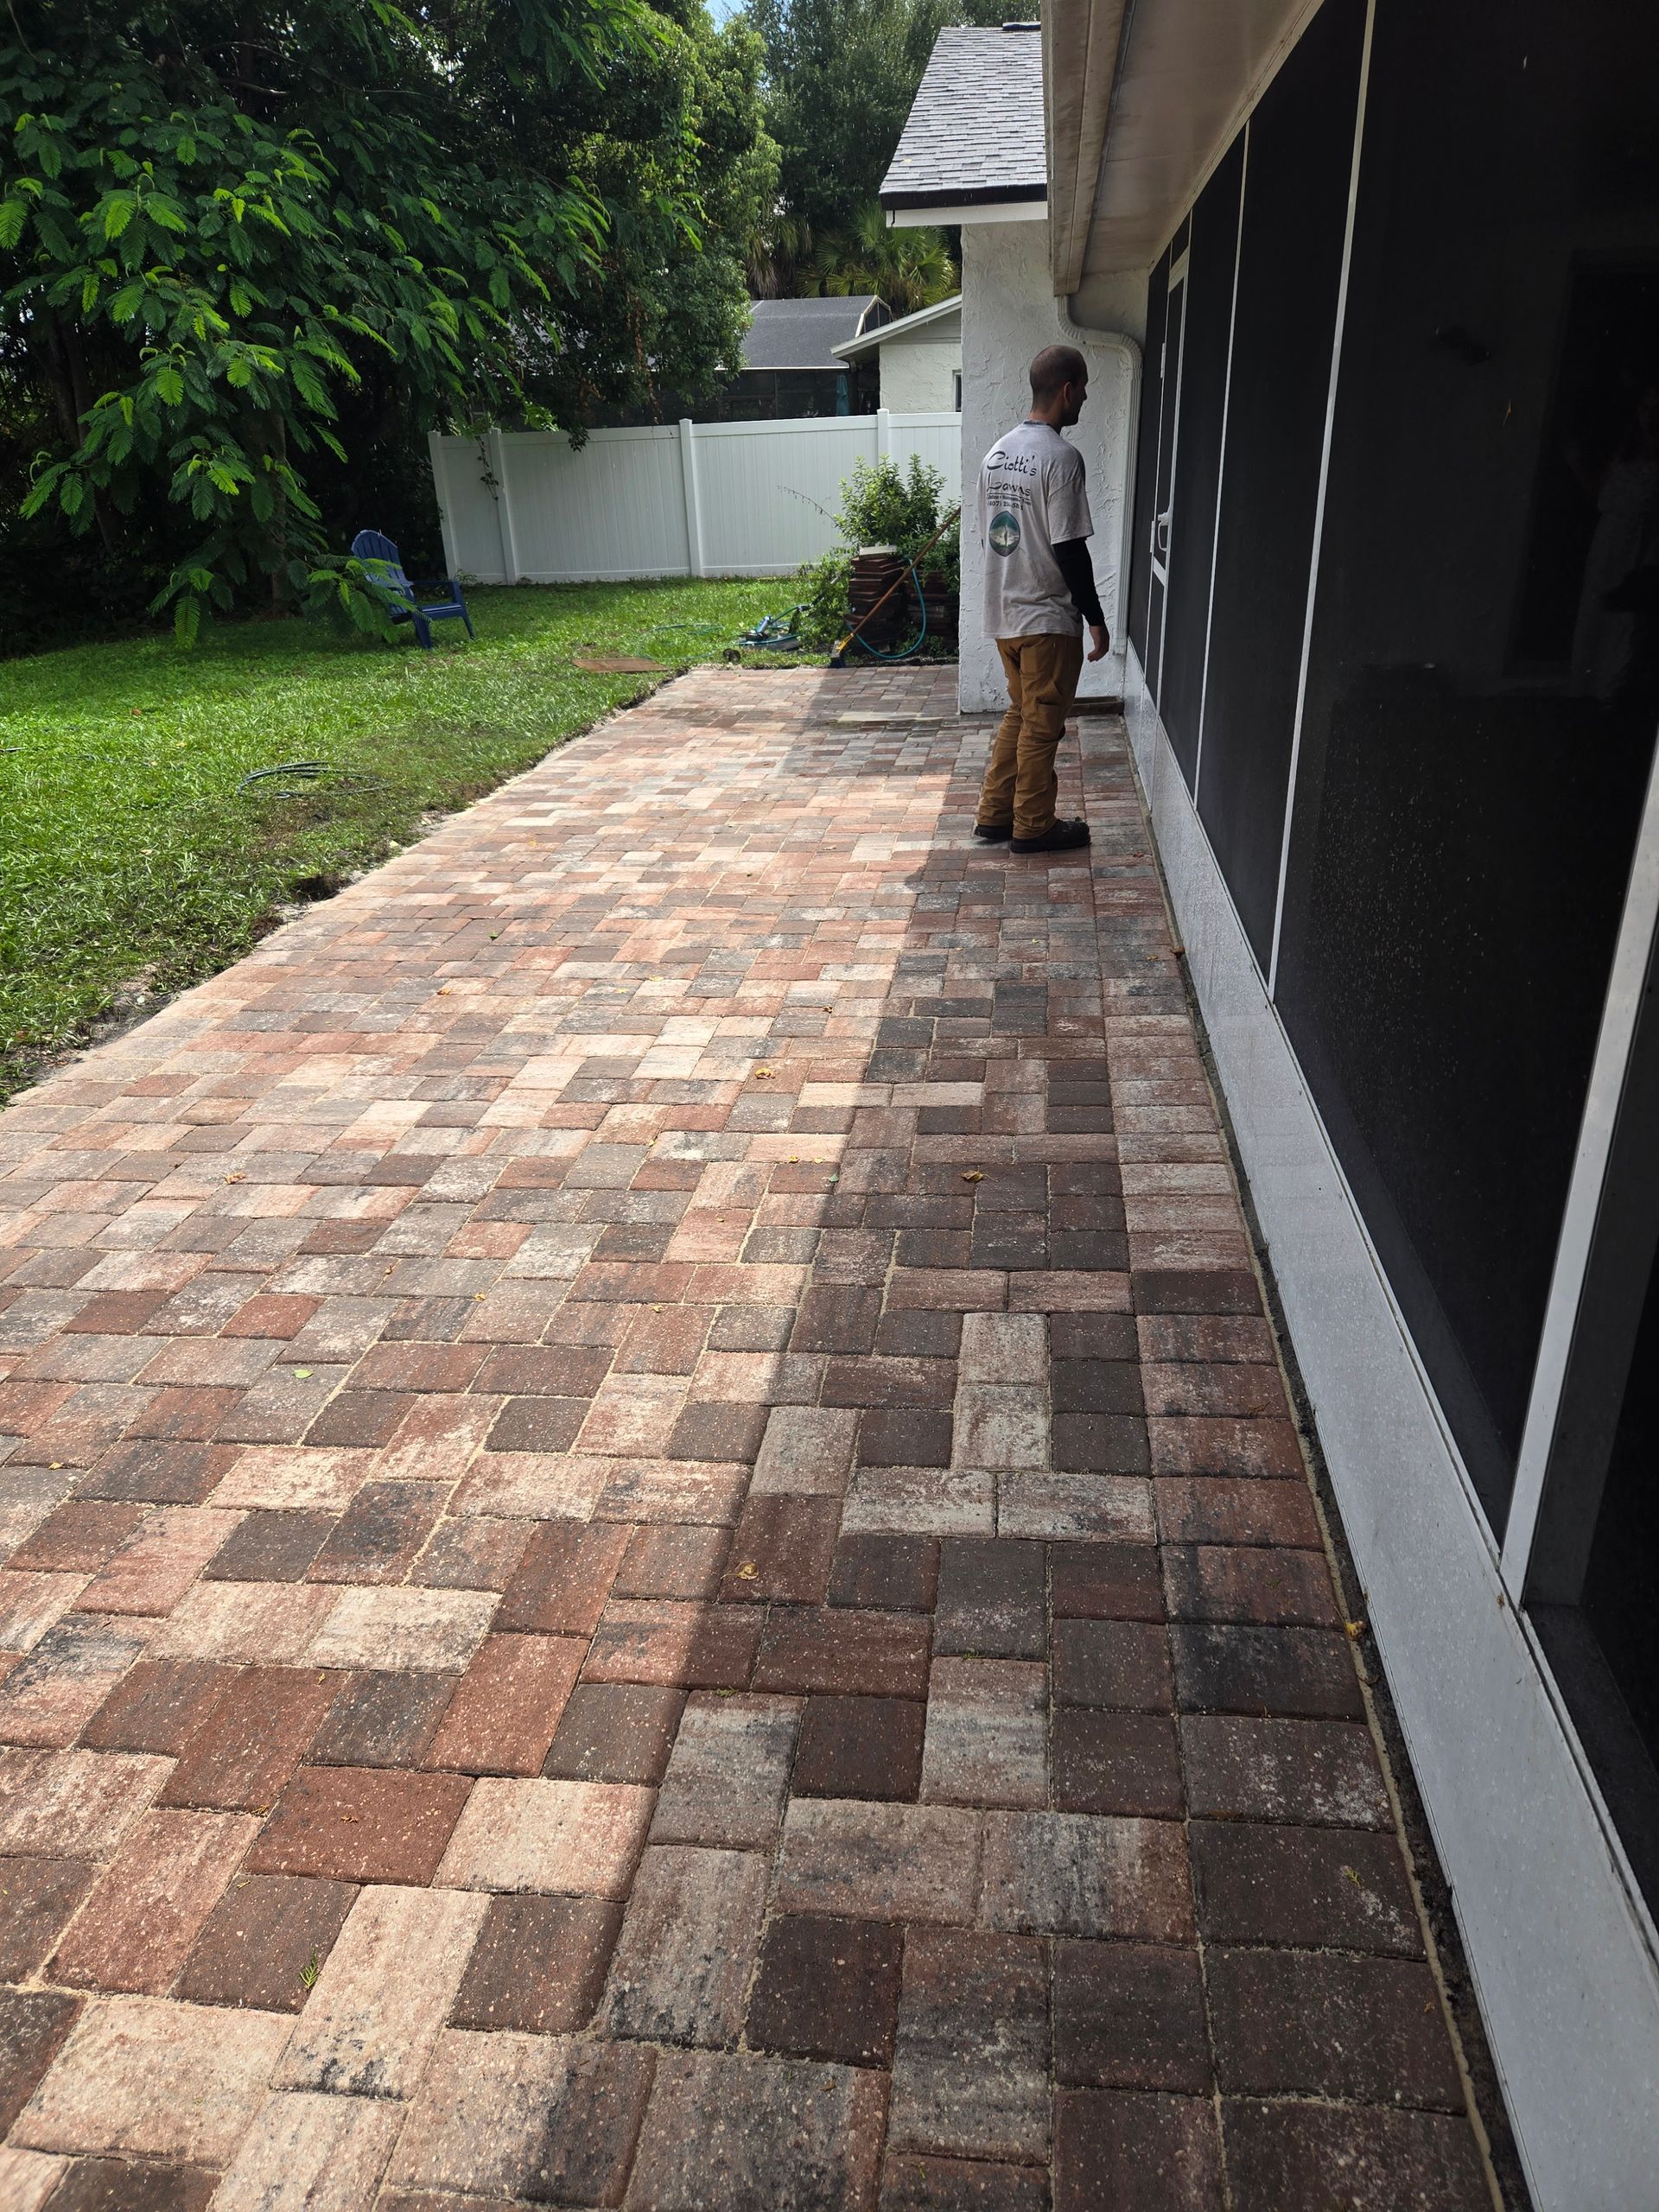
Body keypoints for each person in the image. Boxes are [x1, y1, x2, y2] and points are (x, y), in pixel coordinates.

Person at [974, 343, 1109, 853]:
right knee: (1042, 723)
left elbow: (995, 532)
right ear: (1068, 390)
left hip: (1004, 611)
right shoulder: (1061, 458)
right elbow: (1070, 547)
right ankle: (1032, 824)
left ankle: (993, 815)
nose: (1087, 398)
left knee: (1020, 713)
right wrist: (1095, 617)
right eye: (1085, 388)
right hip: (1045, 616)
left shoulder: (997, 453)